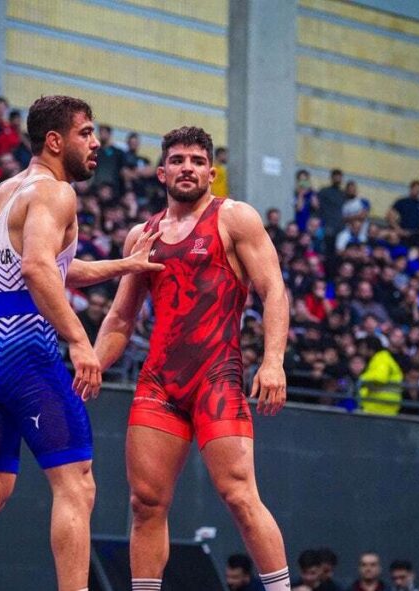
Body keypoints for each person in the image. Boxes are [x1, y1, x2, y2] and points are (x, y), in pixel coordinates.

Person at [0, 95, 161, 591]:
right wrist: (79, 341)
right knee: (76, 483)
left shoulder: (4, 192)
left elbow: (56, 265)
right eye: (85, 133)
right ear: (54, 140)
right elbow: (36, 269)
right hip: (24, 350)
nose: (96, 143)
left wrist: (126, 265)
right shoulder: (55, 192)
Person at [94, 126, 291, 591]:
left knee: (239, 495)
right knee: (145, 503)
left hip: (216, 378)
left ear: (211, 172)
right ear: (162, 172)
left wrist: (273, 361)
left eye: (198, 161)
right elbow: (121, 317)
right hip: (160, 383)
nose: (188, 168)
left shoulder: (234, 218)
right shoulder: (142, 235)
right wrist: (90, 365)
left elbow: (273, 290)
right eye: (178, 160)